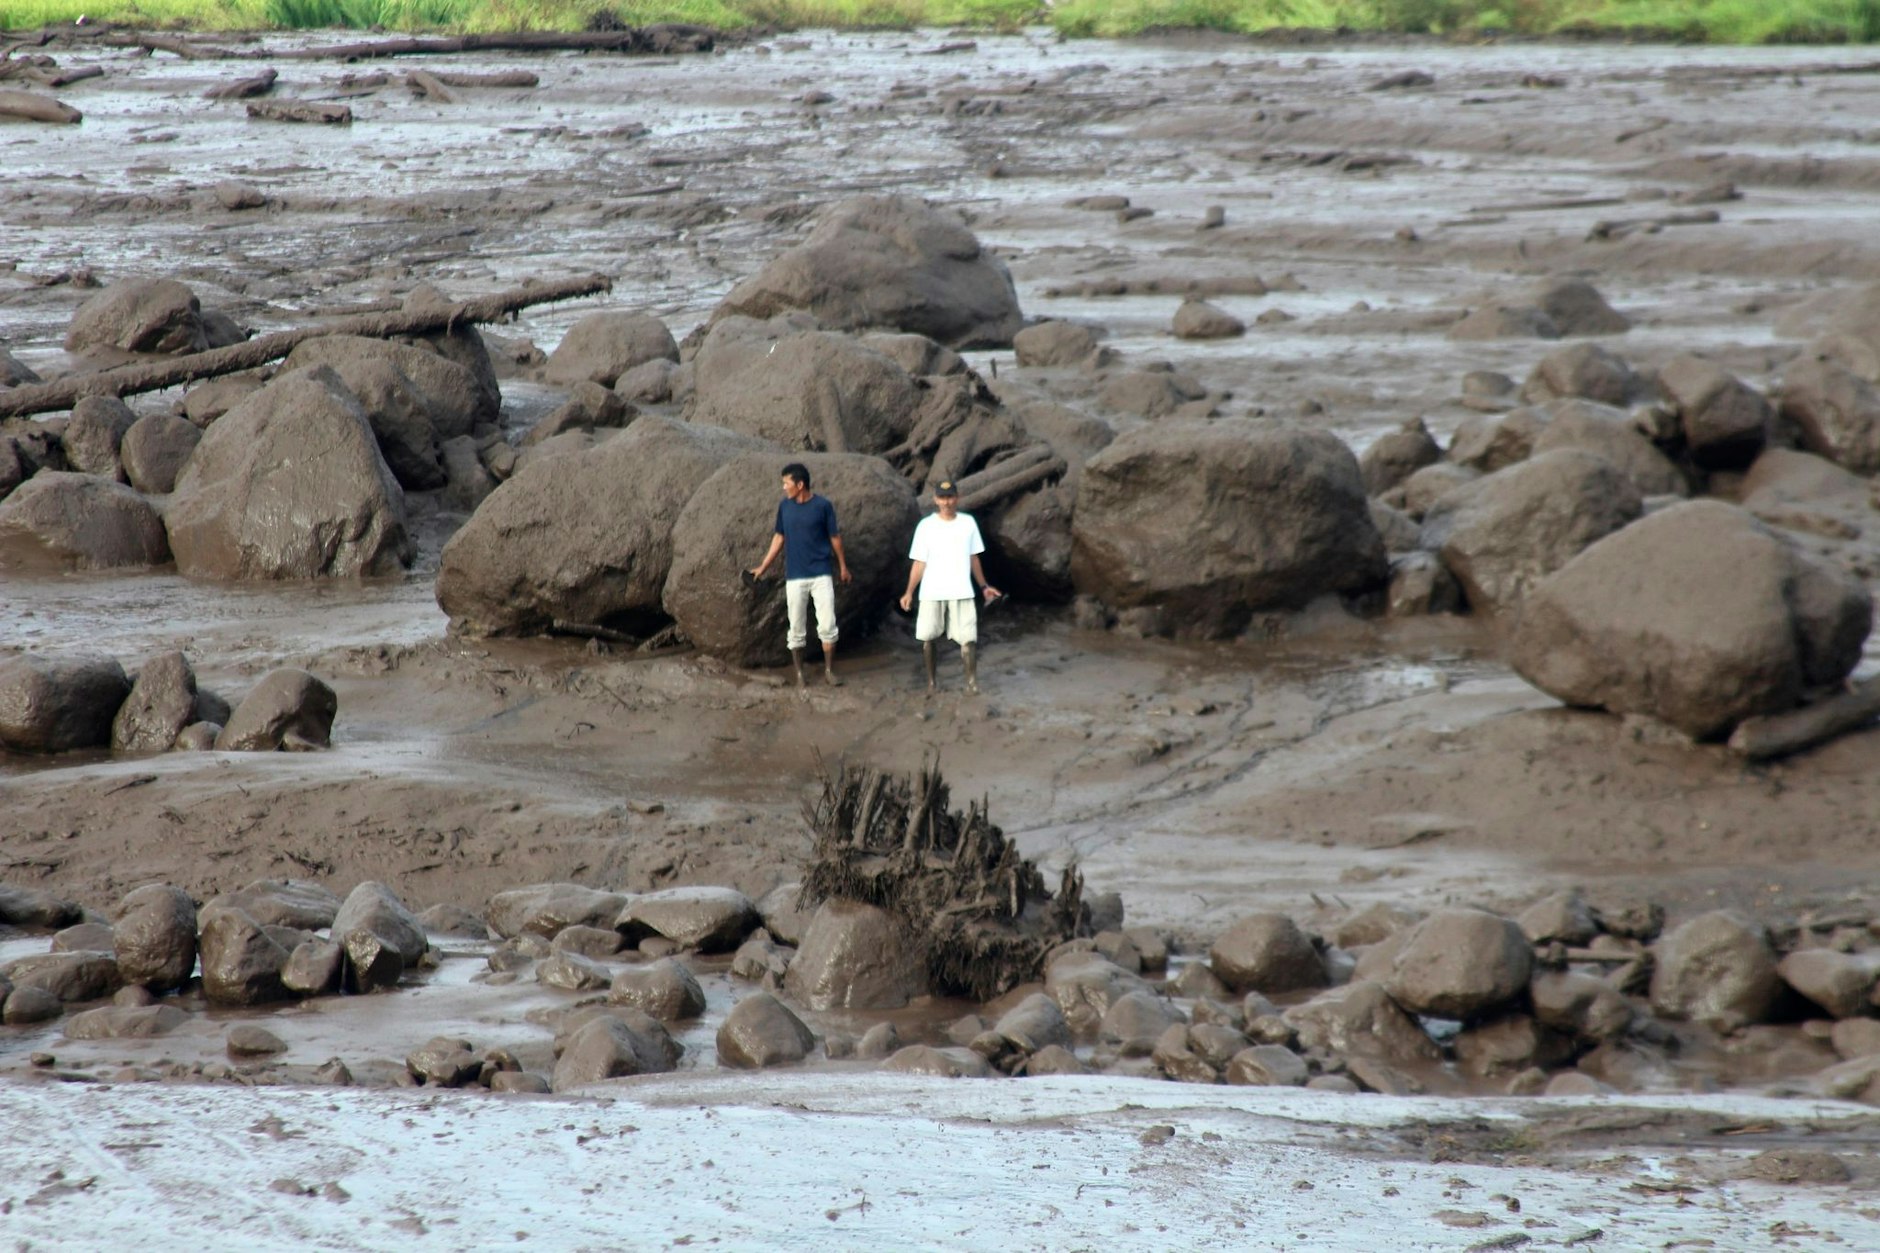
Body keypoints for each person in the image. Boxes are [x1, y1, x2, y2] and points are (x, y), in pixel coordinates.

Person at [748, 462, 851, 687]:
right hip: (795, 576)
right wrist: (763, 566)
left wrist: (843, 566)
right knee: (796, 627)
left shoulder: (823, 506)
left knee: (827, 625)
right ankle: (800, 674)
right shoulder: (785, 507)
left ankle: (829, 670)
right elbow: (779, 537)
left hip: (821, 573)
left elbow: (835, 537)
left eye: (786, 483)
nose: (784, 488)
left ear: (800, 484)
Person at [898, 479, 1001, 694]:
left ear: (957, 498)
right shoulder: (925, 526)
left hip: (961, 589)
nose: (947, 502)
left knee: (968, 638)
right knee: (927, 636)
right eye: (942, 498)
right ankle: (932, 682)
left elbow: (974, 559)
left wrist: (984, 586)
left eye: (950, 497)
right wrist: (909, 592)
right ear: (936, 499)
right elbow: (919, 563)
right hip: (931, 591)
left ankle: (971, 683)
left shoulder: (968, 523)